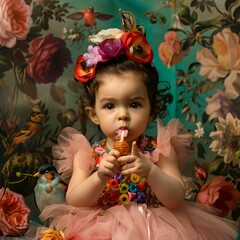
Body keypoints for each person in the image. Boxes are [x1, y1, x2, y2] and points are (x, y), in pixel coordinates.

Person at [28, 12, 238, 240]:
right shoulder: (87, 154)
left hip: (155, 227)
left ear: (152, 110)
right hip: (100, 227)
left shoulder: (160, 150)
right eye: (110, 106)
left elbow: (176, 198)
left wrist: (150, 170)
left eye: (135, 104)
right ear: (93, 114)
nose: (123, 116)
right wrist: (99, 177)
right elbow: (75, 200)